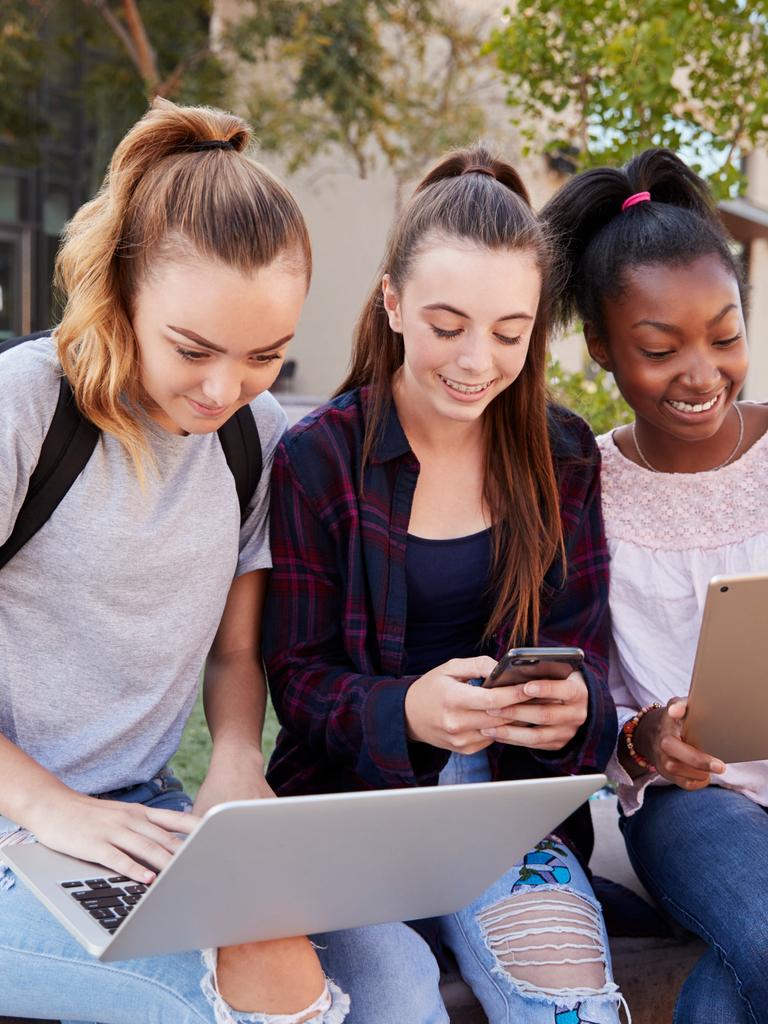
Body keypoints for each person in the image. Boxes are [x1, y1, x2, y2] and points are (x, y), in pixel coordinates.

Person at [0, 97, 352, 1024]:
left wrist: (236, 757)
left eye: (264, 357)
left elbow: (236, 654)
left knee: (357, 987)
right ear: (121, 292)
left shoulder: (253, 438)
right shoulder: (24, 411)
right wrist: (47, 806)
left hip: (142, 817)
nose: (221, 388)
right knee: (211, 1006)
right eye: (192, 349)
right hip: (18, 821)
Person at [262, 146, 626, 1024]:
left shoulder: (564, 453)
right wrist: (405, 714)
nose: (476, 362)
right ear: (391, 302)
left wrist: (576, 711)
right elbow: (297, 679)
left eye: (510, 333)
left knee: (567, 1007)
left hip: (505, 817)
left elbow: (590, 669)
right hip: (346, 811)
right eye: (446, 325)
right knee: (398, 1005)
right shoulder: (320, 460)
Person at [542, 147, 768, 1023]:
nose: (702, 372)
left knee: (740, 971)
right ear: (601, 346)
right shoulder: (581, 486)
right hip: (689, 799)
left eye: (725, 334)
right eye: (660, 347)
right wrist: (640, 742)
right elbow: (585, 703)